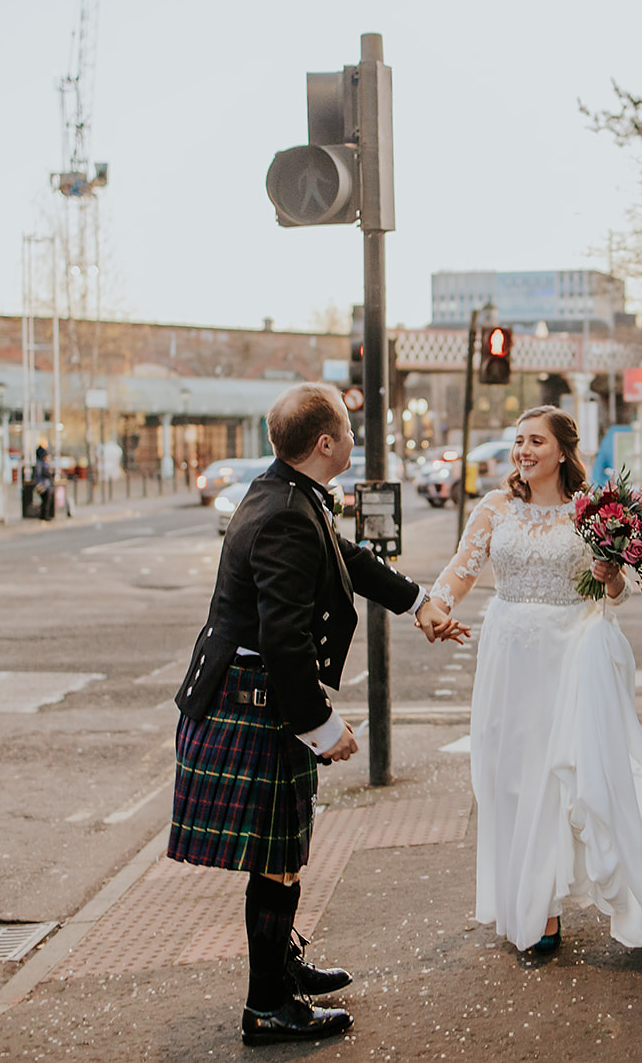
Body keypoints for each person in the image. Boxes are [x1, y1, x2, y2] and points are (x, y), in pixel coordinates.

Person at [169, 383, 467, 1047]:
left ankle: (281, 965)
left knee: (283, 851)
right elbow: (284, 640)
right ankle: (267, 1004)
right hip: (257, 696)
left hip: (253, 692)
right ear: (326, 442)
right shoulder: (283, 511)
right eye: (348, 430)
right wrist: (322, 727)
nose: (354, 439)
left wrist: (418, 599)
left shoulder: (288, 494)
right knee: (278, 855)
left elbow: (346, 559)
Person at [428, 406, 642, 954]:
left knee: (558, 779)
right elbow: (463, 568)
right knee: (511, 778)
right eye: (518, 441)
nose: (523, 451)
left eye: (536, 441)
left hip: (570, 655)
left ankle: (548, 905)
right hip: (509, 655)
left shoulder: (592, 513)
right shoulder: (496, 507)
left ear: (562, 450)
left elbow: (615, 595)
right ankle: (531, 901)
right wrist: (434, 606)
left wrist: (612, 576)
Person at [32, 445, 55, 521]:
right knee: (46, 501)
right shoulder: (41, 464)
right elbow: (40, 474)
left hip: (44, 484)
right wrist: (49, 474)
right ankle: (45, 515)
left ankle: (44, 515)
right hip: (43, 485)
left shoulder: (42, 463)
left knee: (45, 501)